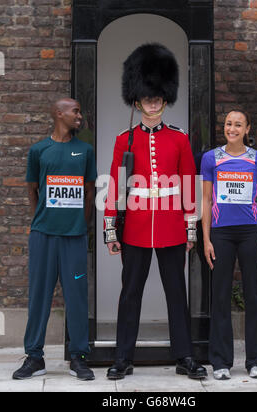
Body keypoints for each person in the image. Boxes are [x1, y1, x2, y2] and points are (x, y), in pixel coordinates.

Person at [104, 43, 207, 380]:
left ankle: (184, 357)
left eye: (157, 96)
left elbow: (189, 184)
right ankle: (122, 357)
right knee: (130, 293)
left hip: (171, 227)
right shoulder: (125, 140)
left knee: (176, 293)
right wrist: (110, 229)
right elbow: (117, 186)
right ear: (138, 99)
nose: (152, 101)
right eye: (147, 97)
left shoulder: (179, 139)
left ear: (165, 98)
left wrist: (190, 226)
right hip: (134, 226)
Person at [12, 98, 97, 381]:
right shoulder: (39, 150)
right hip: (43, 236)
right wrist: (43, 219)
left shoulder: (85, 150)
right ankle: (34, 357)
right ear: (58, 114)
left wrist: (80, 225)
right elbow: (32, 190)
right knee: (39, 296)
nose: (79, 115)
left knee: (77, 298)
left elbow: (88, 192)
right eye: (75, 111)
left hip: (74, 238)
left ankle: (79, 357)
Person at [201, 110, 257, 380]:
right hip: (220, 233)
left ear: (247, 128)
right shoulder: (211, 158)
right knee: (220, 296)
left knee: (253, 295)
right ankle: (220, 362)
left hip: (250, 233)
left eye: (238, 124)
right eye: (229, 124)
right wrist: (206, 239)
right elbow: (206, 201)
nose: (232, 128)